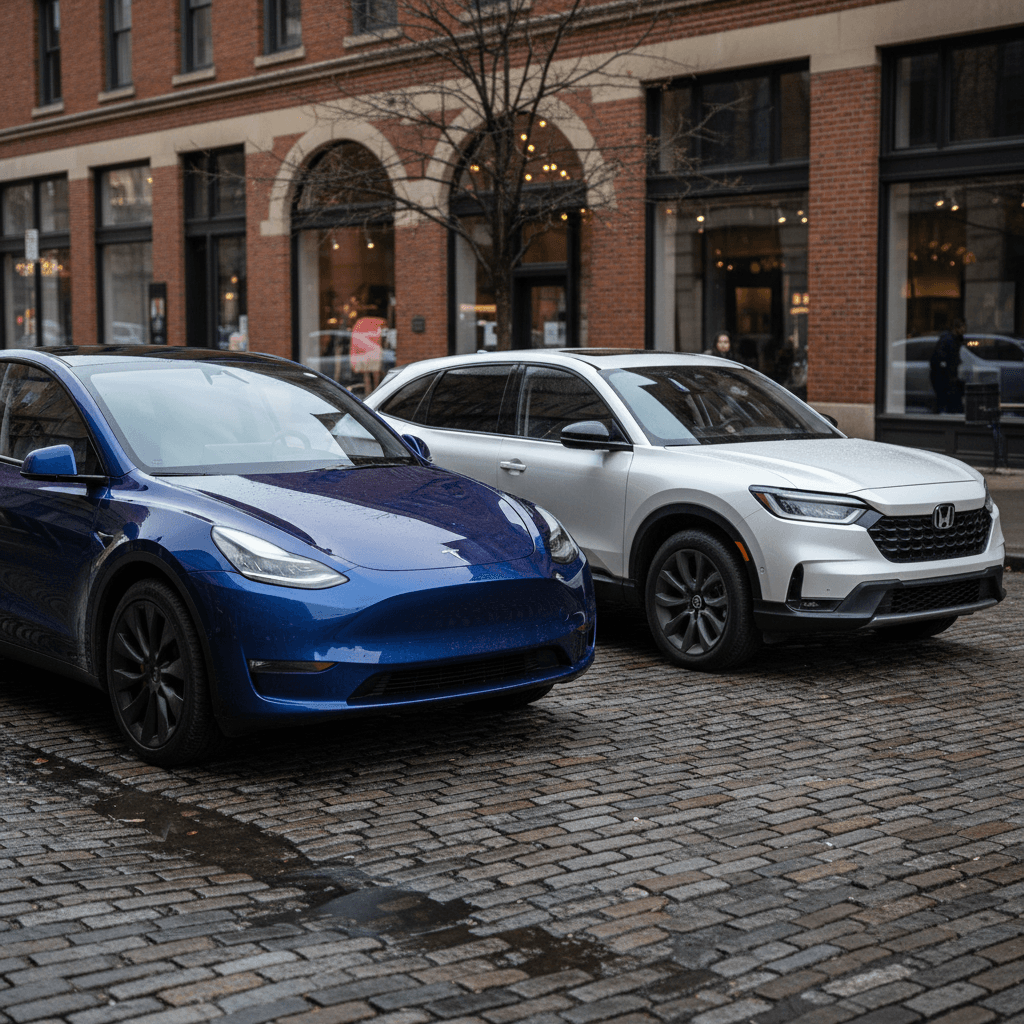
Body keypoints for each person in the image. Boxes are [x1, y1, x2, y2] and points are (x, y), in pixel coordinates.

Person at [929, 318, 966, 414]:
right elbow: (940, 358)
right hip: (944, 376)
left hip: (947, 375)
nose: (964, 330)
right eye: (962, 327)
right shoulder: (949, 340)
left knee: (946, 402)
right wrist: (947, 371)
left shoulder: (954, 339)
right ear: (956, 328)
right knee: (945, 401)